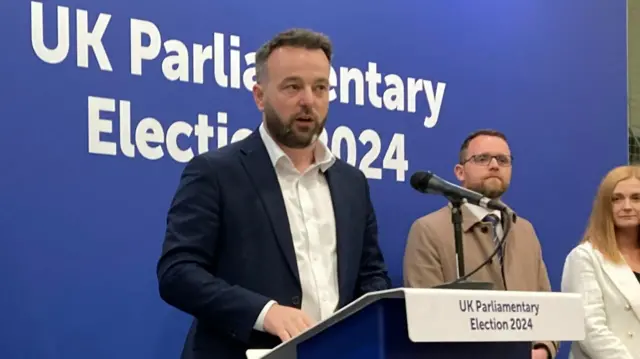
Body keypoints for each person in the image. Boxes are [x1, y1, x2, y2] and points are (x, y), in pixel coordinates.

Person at [156, 28, 391, 359]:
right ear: (259, 95)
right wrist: (265, 313)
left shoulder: (352, 182)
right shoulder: (215, 172)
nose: (308, 100)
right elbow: (178, 273)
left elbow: (371, 275)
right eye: (293, 86)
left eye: (320, 87)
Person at [402, 129, 558, 359]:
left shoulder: (525, 230)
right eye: (482, 159)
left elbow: (546, 307)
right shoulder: (429, 230)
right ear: (460, 172)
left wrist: (543, 350)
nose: (494, 165)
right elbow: (425, 318)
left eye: (503, 160)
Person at [561, 165, 640, 359]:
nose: (627, 206)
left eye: (636, 198)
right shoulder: (584, 257)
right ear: (605, 206)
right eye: (617, 199)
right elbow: (590, 330)